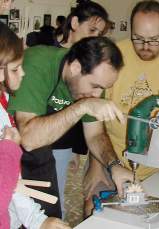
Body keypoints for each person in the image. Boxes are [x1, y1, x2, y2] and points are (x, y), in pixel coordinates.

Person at [83, 0, 159, 216]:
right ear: (130, 30)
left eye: (154, 40)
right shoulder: (111, 56)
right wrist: (97, 166)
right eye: (138, 39)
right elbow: (95, 120)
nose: (145, 46)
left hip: (158, 170)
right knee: (94, 210)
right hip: (111, 160)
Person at [8, 36, 133, 218]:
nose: (97, 94)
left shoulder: (92, 81)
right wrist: (82, 106)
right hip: (10, 148)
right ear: (75, 67)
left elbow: (95, 135)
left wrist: (114, 166)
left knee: (50, 218)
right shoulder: (37, 64)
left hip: (41, 152)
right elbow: (28, 139)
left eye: (103, 88)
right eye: (95, 86)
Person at [0, 21, 71, 229]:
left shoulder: (5, 101)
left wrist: (37, 220)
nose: (22, 74)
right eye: (15, 68)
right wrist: (10, 150)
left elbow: (12, 181)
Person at [52, 0, 111, 218]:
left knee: (57, 201)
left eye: (99, 33)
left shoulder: (89, 65)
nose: (93, 37)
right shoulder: (44, 53)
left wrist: (78, 150)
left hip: (64, 142)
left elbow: (84, 113)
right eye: (91, 29)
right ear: (75, 22)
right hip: (38, 139)